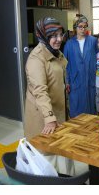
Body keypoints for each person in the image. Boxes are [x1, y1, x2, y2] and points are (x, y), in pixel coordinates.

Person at [24, 17, 74, 175]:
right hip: (44, 115)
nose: (59, 39)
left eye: (60, 34)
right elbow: (40, 90)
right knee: (47, 157)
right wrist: (50, 118)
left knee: (64, 152)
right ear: (43, 36)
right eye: (53, 36)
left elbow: (57, 73)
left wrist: (63, 84)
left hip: (59, 110)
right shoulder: (36, 58)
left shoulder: (55, 52)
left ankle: (67, 182)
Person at [63, 14, 98, 118]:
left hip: (90, 78)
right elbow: (65, 64)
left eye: (84, 26)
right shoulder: (69, 44)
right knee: (76, 107)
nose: (83, 29)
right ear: (75, 28)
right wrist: (67, 82)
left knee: (91, 106)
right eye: (80, 27)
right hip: (75, 80)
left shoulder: (93, 41)